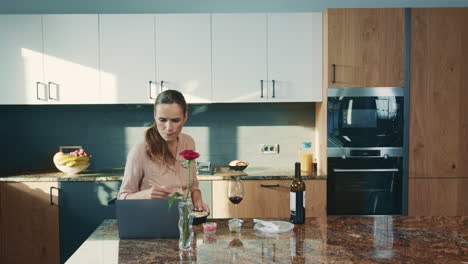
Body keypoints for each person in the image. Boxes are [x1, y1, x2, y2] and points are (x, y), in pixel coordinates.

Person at [118, 90, 209, 212]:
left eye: (175, 120)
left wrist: (197, 200)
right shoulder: (140, 149)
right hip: (153, 221)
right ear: (155, 116)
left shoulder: (188, 142)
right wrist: (146, 195)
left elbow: (193, 185)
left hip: (185, 219)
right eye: (162, 120)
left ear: (185, 117)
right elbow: (122, 197)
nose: (169, 128)